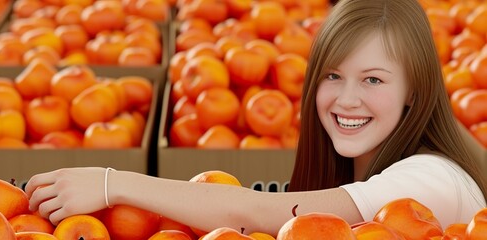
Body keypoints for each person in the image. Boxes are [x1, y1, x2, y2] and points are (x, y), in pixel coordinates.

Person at [25, 0, 487, 235]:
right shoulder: (366, 167)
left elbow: (262, 214)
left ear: (415, 91)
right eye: (332, 76)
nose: (347, 100)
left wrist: (112, 182)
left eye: (373, 80)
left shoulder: (432, 179)